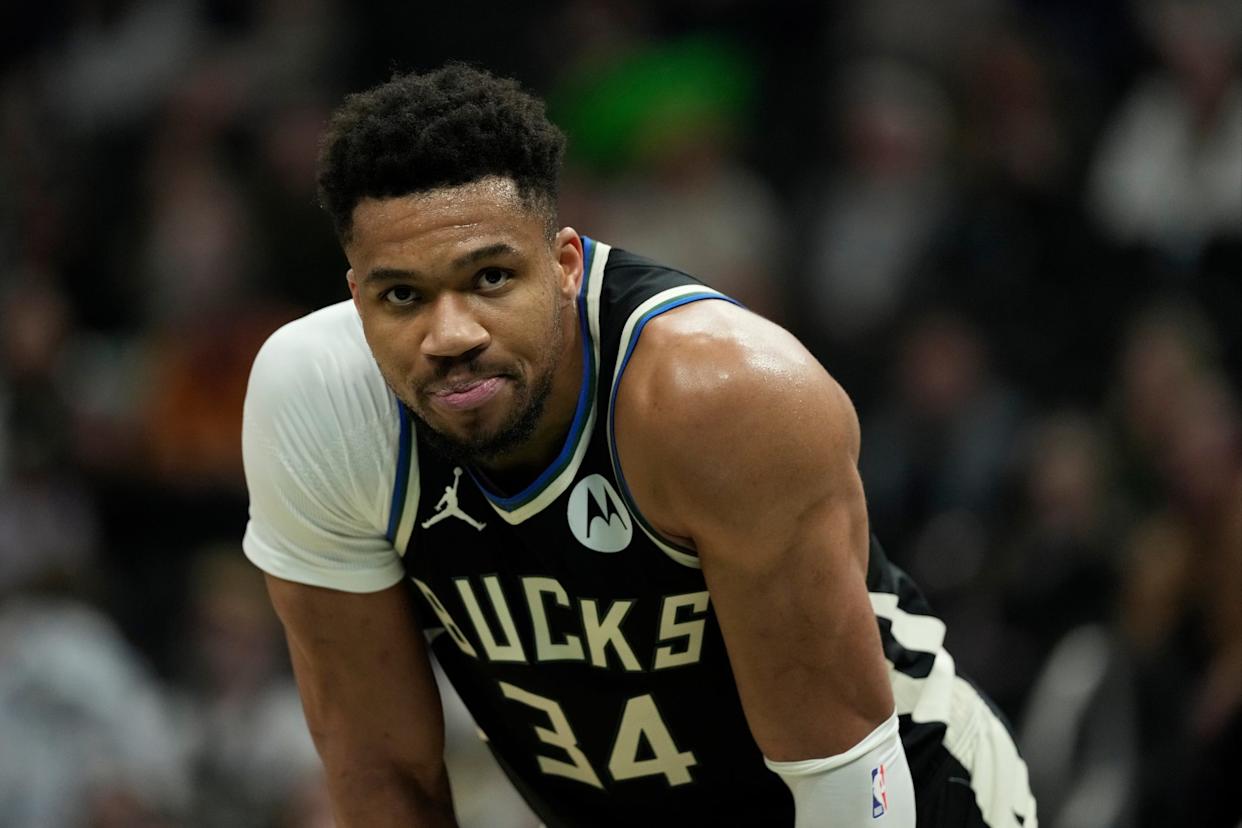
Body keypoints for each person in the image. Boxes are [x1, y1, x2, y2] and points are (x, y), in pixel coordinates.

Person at [241, 63, 1037, 828]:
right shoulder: (322, 403)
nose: (451, 336)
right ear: (356, 295)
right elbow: (379, 771)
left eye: (489, 279)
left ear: (564, 265)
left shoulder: (723, 399)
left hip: (899, 794)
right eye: (403, 296)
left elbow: (846, 781)